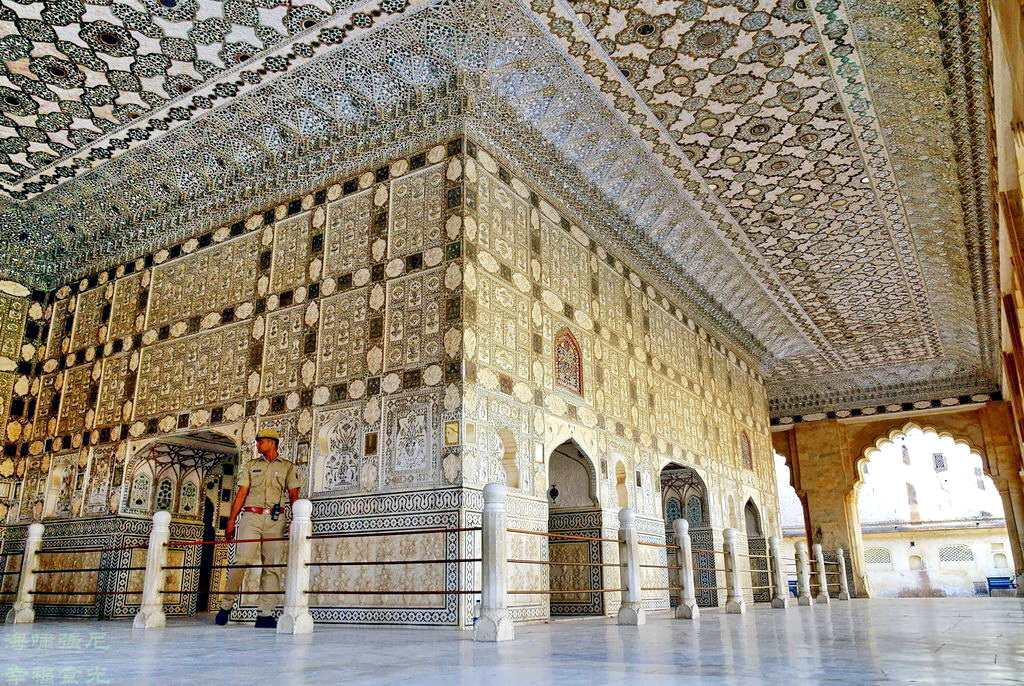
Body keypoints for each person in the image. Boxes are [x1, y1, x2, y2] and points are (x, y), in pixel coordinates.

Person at [215, 428, 301, 628]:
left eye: (261, 442)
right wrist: (230, 520)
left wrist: (294, 521)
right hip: (251, 517)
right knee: (241, 560)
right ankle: (226, 605)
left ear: (272, 443)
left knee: (271, 567)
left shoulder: (288, 467)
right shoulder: (252, 465)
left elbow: (294, 495)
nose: (258, 445)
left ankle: (265, 614)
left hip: (275, 519)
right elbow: (241, 494)